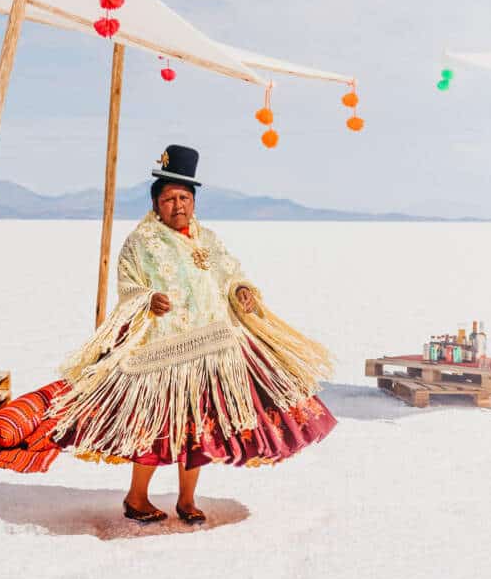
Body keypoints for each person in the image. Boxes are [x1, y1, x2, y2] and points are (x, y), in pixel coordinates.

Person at [31, 144, 338, 524]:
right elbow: (128, 286)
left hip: (214, 348)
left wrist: (240, 290)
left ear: (194, 201)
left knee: (199, 432)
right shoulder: (141, 243)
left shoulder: (207, 238)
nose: (178, 205)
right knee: (156, 431)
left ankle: (187, 500)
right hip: (163, 354)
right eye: (169, 199)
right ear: (156, 204)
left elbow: (229, 272)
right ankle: (136, 498)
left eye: (184, 198)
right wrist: (148, 299)